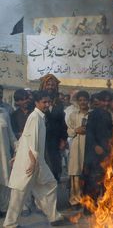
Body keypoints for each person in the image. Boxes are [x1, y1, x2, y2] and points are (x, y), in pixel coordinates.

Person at [3, 91, 70, 227]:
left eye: (48, 102)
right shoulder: (34, 117)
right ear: (36, 103)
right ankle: (10, 224)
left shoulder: (39, 117)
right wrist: (33, 162)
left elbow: (24, 138)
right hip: (31, 162)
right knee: (19, 194)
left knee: (49, 185)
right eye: (44, 102)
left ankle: (54, 217)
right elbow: (32, 140)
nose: (47, 105)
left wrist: (18, 154)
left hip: (35, 160)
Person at [82, 90, 113, 212]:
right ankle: (88, 207)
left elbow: (110, 133)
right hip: (94, 154)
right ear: (98, 101)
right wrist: (95, 146)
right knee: (92, 180)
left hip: (106, 152)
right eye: (104, 101)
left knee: (104, 179)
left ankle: (102, 204)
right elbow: (89, 132)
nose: (106, 103)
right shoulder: (93, 114)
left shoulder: (108, 114)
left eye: (108, 101)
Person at [39, 74, 68, 182]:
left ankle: (51, 197)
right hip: (40, 139)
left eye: (52, 85)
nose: (50, 87)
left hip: (54, 141)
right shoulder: (36, 100)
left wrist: (63, 139)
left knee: (54, 170)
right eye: (48, 84)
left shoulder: (58, 103)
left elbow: (62, 123)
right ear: (43, 85)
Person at [66, 91, 90, 210]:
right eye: (80, 100)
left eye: (85, 100)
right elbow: (69, 131)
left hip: (88, 146)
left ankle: (86, 200)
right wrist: (76, 130)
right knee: (75, 174)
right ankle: (75, 200)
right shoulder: (73, 115)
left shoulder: (92, 115)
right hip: (76, 146)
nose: (83, 102)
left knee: (87, 173)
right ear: (77, 102)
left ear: (88, 101)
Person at [0, 105, 17, 218]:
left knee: (4, 183)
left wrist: (17, 148)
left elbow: (11, 135)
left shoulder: (4, 113)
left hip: (3, 155)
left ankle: (4, 209)